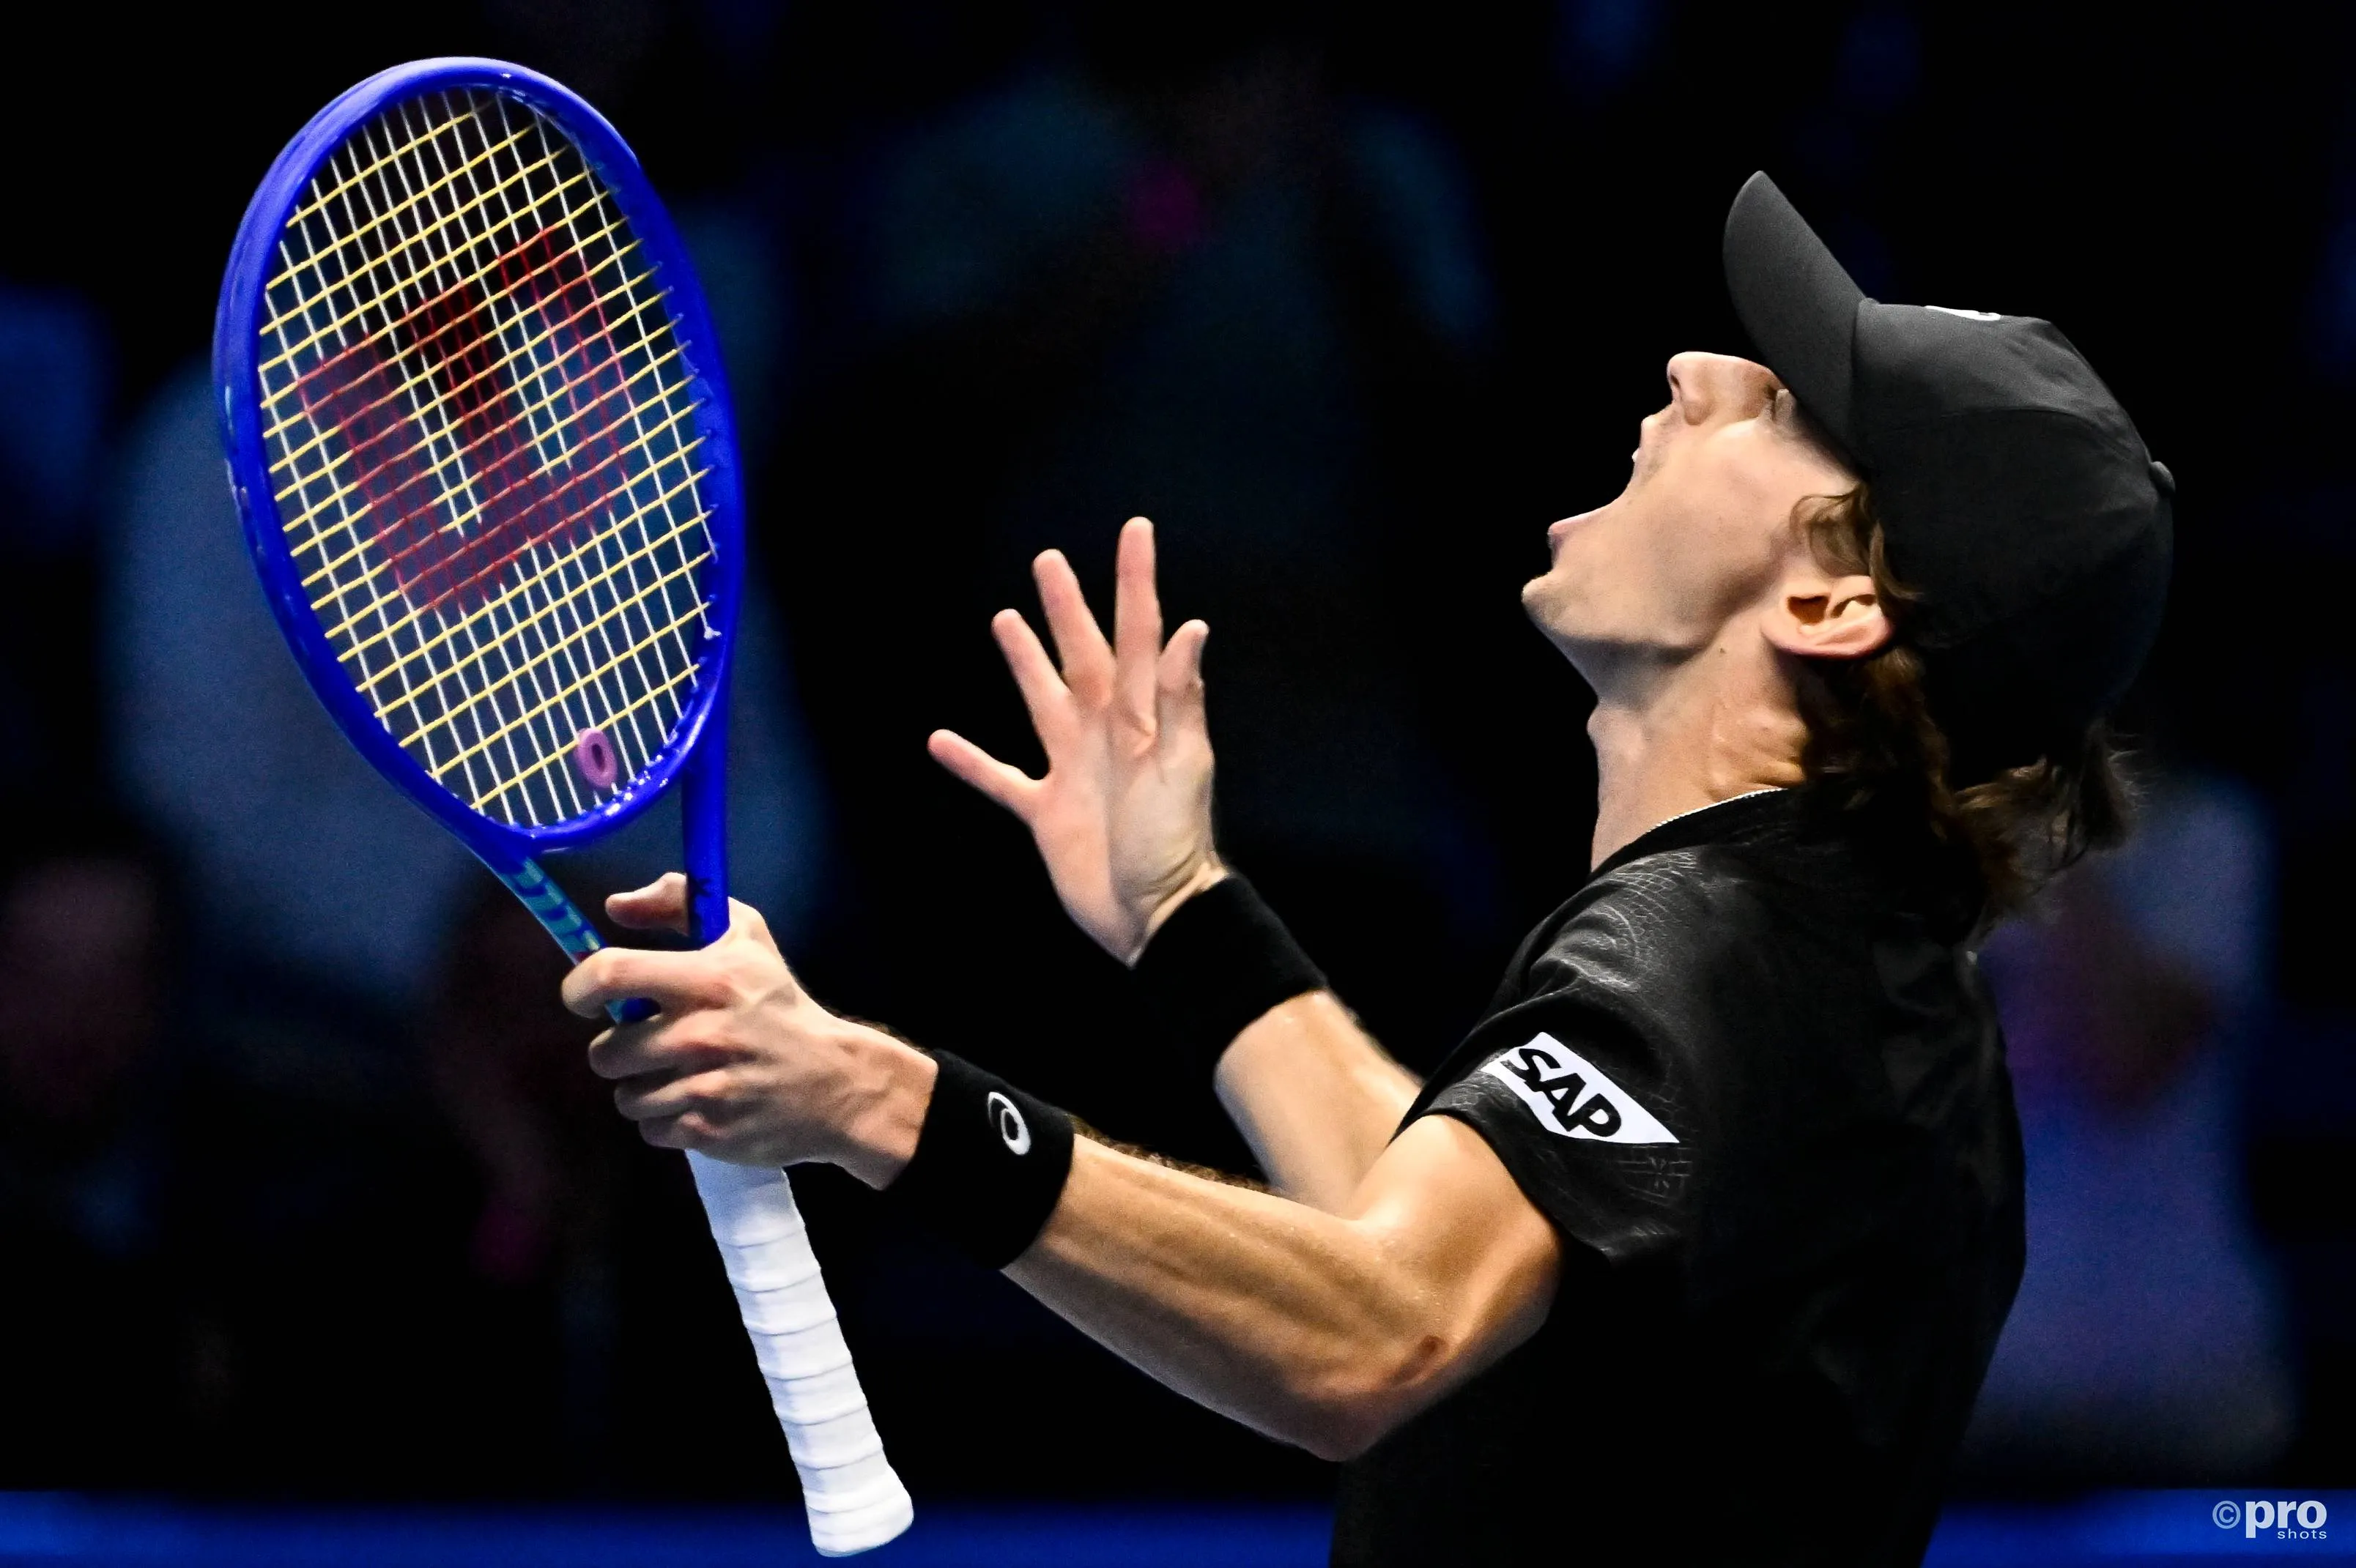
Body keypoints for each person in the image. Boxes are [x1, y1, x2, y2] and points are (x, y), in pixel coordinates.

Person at [559, 174, 2173, 1564]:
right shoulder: (1856, 977)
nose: (1698, 369)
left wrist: (873, 1099)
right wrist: (1185, 909)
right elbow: (1440, 1245)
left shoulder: (1715, 954)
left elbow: (1379, 1325)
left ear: (1833, 608)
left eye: (1785, 409)